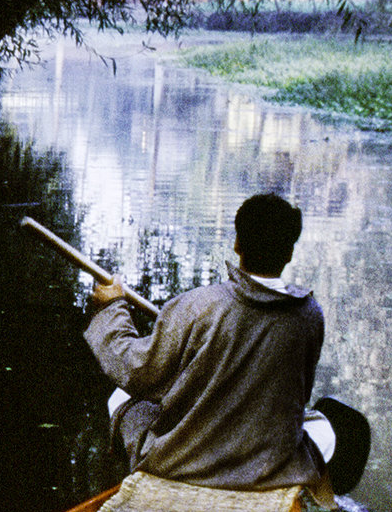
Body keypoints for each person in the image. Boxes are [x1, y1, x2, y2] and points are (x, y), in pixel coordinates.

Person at [86, 192, 326, 490]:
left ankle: (127, 478)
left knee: (121, 397)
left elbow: (136, 371)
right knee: (323, 430)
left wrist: (112, 308)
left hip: (184, 462)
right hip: (269, 465)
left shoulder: (195, 306)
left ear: (238, 244)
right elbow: (297, 395)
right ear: (289, 252)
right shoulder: (310, 315)